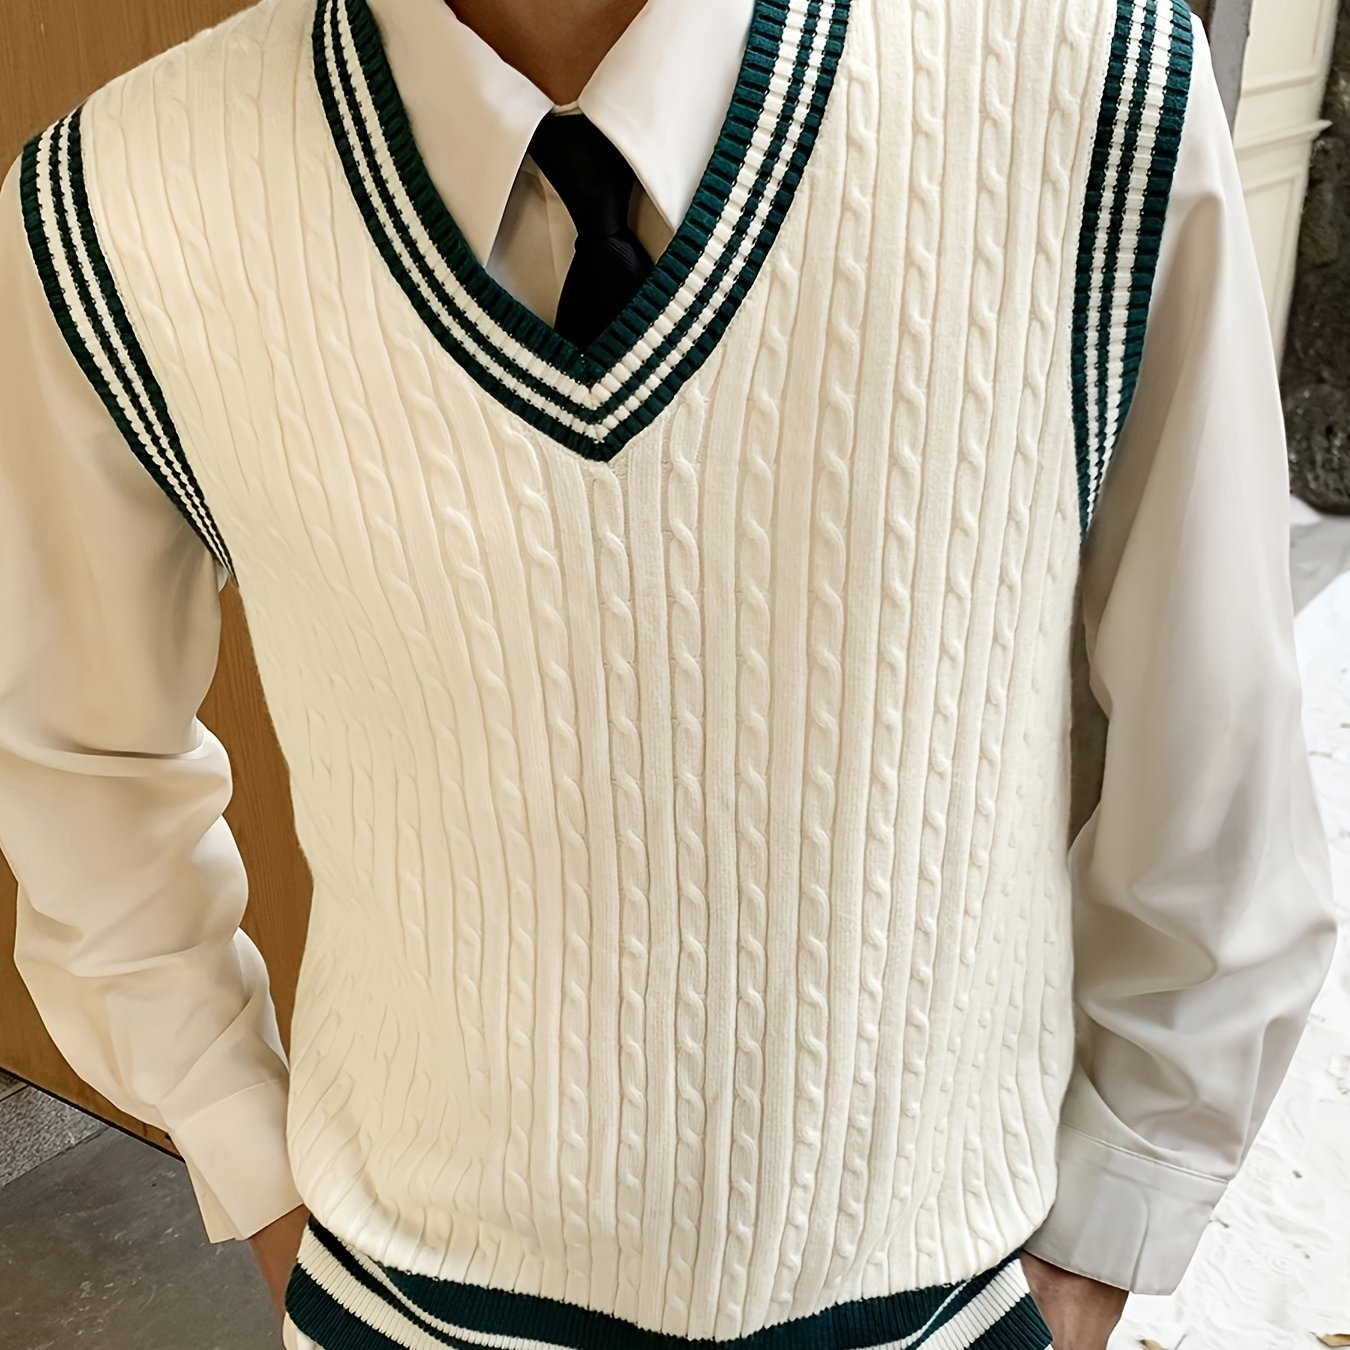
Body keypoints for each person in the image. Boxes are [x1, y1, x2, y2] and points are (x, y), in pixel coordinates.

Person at [0, 0, 1337, 1346]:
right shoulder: (116, 210)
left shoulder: (1098, 91)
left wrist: (1105, 1232)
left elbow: (1213, 738)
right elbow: (77, 771)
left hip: (944, 1299)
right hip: (405, 1300)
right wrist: (246, 1151)